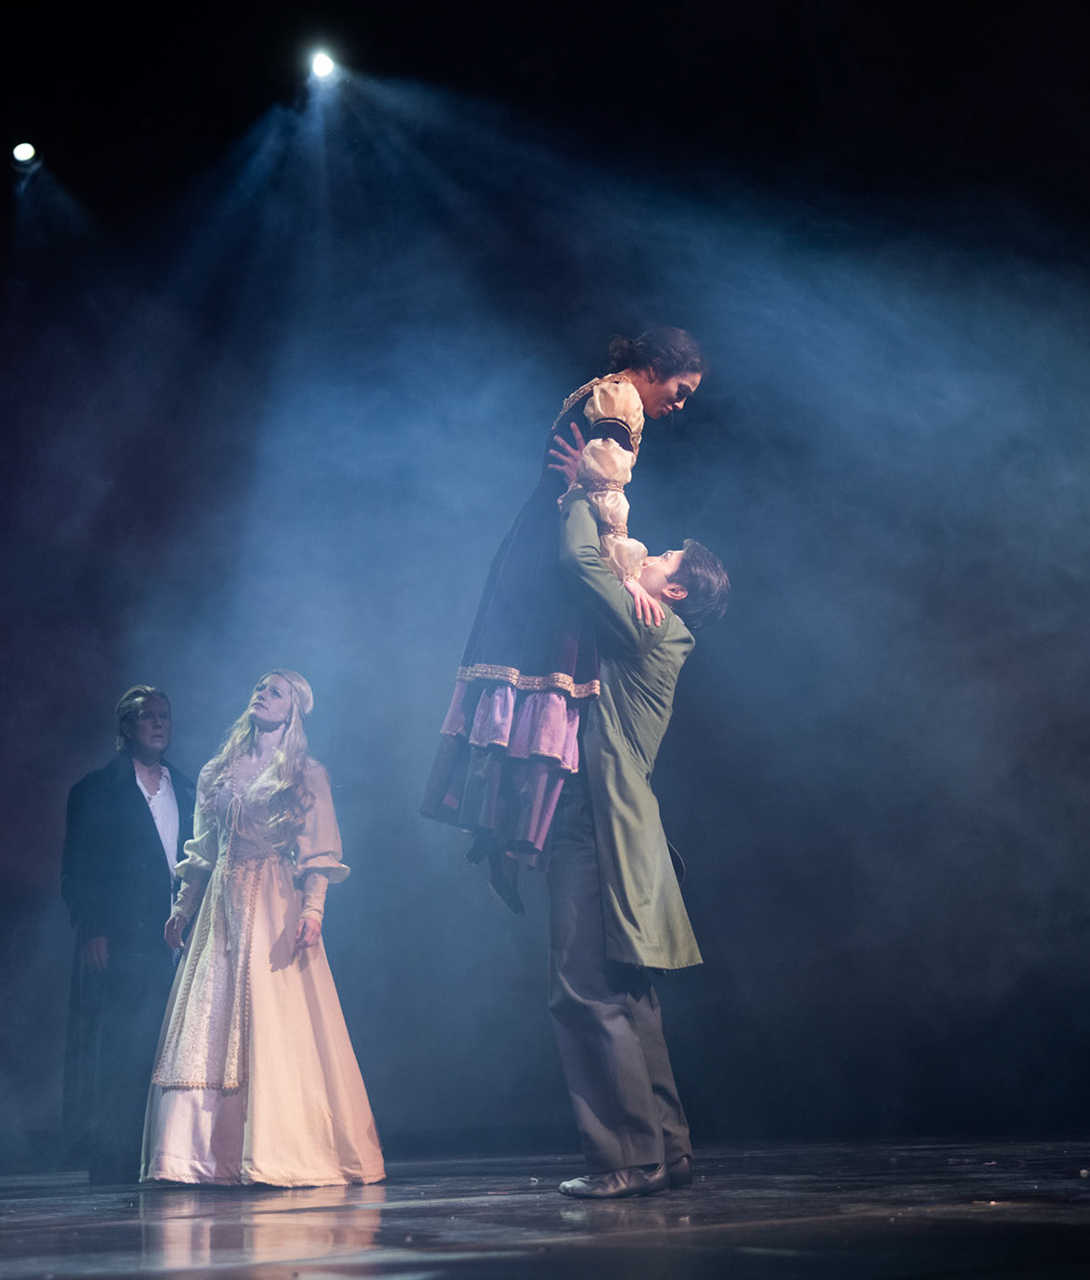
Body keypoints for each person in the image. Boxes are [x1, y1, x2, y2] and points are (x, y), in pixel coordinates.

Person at [422, 328, 707, 909]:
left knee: (530, 684)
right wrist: (628, 576)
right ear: (657, 365)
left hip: (536, 541)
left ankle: (499, 834)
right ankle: (508, 836)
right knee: (550, 680)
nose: (680, 405)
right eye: (681, 390)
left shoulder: (599, 392)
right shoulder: (622, 402)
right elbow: (604, 496)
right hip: (553, 553)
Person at [542, 484, 730, 1198]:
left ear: (674, 590)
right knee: (628, 993)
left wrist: (578, 495)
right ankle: (668, 1149)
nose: (648, 555)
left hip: (600, 819)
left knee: (584, 989)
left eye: (665, 558)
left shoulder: (649, 626)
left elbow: (579, 564)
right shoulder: (655, 623)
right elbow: (606, 572)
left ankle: (627, 1158)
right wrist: (623, 577)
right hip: (624, 822)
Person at [142, 669, 384, 1187]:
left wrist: (313, 910)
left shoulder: (304, 774)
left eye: (276, 692)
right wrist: (183, 908)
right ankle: (201, 1156)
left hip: (274, 899)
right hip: (221, 907)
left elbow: (319, 851)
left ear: (292, 711)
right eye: (259, 687)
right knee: (208, 1022)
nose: (263, 694)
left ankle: (276, 1150)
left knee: (274, 1020)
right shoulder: (217, 771)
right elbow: (203, 850)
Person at [61, 684, 197, 1185]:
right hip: (124, 938)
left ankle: (169, 1156)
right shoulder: (96, 790)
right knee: (122, 1050)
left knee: (174, 1048)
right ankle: (115, 1161)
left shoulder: (188, 789)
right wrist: (92, 927)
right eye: (148, 716)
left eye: (165, 716)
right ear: (126, 727)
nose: (159, 724)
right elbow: (78, 869)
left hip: (178, 940)